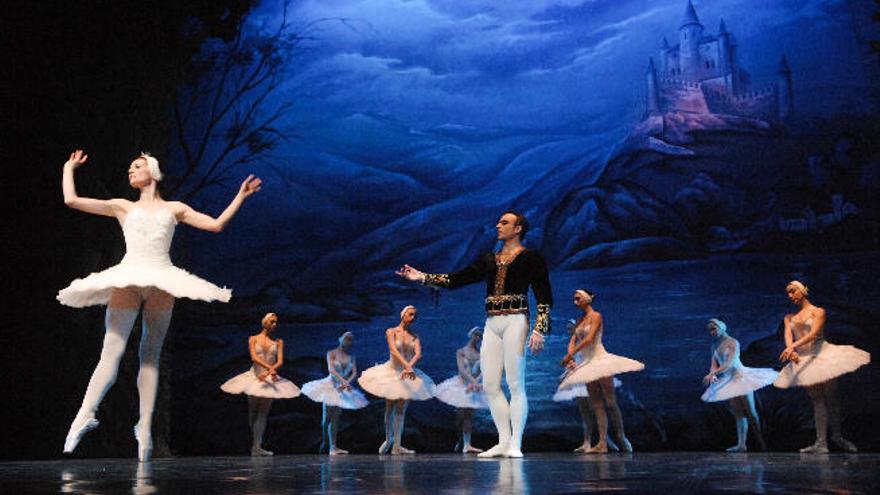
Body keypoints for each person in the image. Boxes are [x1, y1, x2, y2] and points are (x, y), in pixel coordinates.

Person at [59, 150, 261, 461]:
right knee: (111, 351)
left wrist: (240, 196)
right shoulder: (122, 206)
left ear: (152, 172)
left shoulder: (174, 208)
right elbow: (71, 201)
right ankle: (84, 415)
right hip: (129, 276)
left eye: (136, 166)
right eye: (130, 167)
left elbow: (216, 225)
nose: (131, 171)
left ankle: (144, 427)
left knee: (149, 355)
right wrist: (68, 168)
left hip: (161, 280)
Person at [397, 211, 552, 458]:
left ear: (518, 229)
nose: (498, 226)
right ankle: (503, 441)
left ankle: (515, 444)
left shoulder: (531, 258)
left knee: (515, 383)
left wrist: (540, 329)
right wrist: (422, 277)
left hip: (516, 321)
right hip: (492, 323)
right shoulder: (489, 259)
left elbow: (544, 295)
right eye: (499, 222)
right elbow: (458, 278)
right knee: (490, 384)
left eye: (505, 223)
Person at [774, 280, 870, 453]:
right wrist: (792, 350)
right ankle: (821, 443)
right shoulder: (789, 317)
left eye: (793, 291)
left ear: (802, 291)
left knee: (831, 398)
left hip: (823, 356)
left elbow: (814, 333)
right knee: (817, 399)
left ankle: (837, 436)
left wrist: (792, 347)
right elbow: (788, 335)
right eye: (788, 293)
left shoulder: (818, 312)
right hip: (803, 359)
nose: (790, 295)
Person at [560, 290, 643, 453]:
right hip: (587, 362)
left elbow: (590, 338)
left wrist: (570, 354)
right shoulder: (580, 321)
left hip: (600, 359)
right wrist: (570, 356)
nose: (575, 301)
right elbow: (573, 340)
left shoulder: (596, 316)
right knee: (596, 404)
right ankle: (602, 443)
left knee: (610, 402)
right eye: (574, 299)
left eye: (578, 298)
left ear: (588, 299)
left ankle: (620, 435)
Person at [221, 313, 301, 456]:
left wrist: (271, 370)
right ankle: (254, 444)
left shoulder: (278, 342)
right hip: (255, 376)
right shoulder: (253, 338)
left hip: (270, 379)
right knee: (253, 412)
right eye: (272, 322)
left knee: (263, 413)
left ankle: (257, 446)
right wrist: (269, 369)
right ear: (264, 323)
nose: (274, 325)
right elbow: (254, 357)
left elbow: (280, 361)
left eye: (276, 322)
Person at [358, 305, 435, 454]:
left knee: (401, 409)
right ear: (403, 315)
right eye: (411, 315)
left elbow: (418, 353)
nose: (413, 318)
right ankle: (389, 439)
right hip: (392, 372)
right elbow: (393, 350)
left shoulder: (415, 336)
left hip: (407, 373)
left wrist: (409, 367)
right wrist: (407, 366)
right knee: (390, 406)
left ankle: (397, 446)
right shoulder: (391, 331)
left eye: (415, 316)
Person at [701, 318, 777, 452]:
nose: (712, 332)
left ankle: (761, 442)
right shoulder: (714, 346)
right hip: (729, 379)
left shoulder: (733, 342)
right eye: (710, 330)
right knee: (738, 413)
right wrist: (711, 374)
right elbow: (714, 365)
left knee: (751, 412)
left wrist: (714, 373)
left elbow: (729, 363)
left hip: (741, 377)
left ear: (722, 328)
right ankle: (742, 444)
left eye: (714, 329)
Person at [554, 319, 621, 453]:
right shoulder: (573, 345)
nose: (569, 331)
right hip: (578, 381)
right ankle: (587, 442)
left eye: (571, 328)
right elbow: (573, 363)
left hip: (588, 380)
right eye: (568, 329)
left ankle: (606, 440)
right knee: (585, 414)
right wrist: (566, 373)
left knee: (596, 411)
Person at [301, 331, 369, 455]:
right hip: (330, 385)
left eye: (351, 339)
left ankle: (333, 446)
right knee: (326, 418)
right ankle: (325, 442)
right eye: (347, 338)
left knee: (336, 418)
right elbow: (331, 369)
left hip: (342, 388)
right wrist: (344, 382)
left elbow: (354, 373)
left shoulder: (351, 357)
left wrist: (346, 383)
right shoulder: (331, 353)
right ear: (340, 339)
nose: (349, 341)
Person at [434, 327, 489, 453]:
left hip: (474, 387)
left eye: (480, 336)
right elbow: (462, 370)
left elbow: (483, 371)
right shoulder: (461, 351)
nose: (478, 338)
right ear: (471, 335)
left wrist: (476, 383)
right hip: (460, 385)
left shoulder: (481, 354)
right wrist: (472, 382)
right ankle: (460, 440)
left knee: (469, 414)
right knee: (460, 416)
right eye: (476, 335)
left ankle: (467, 444)